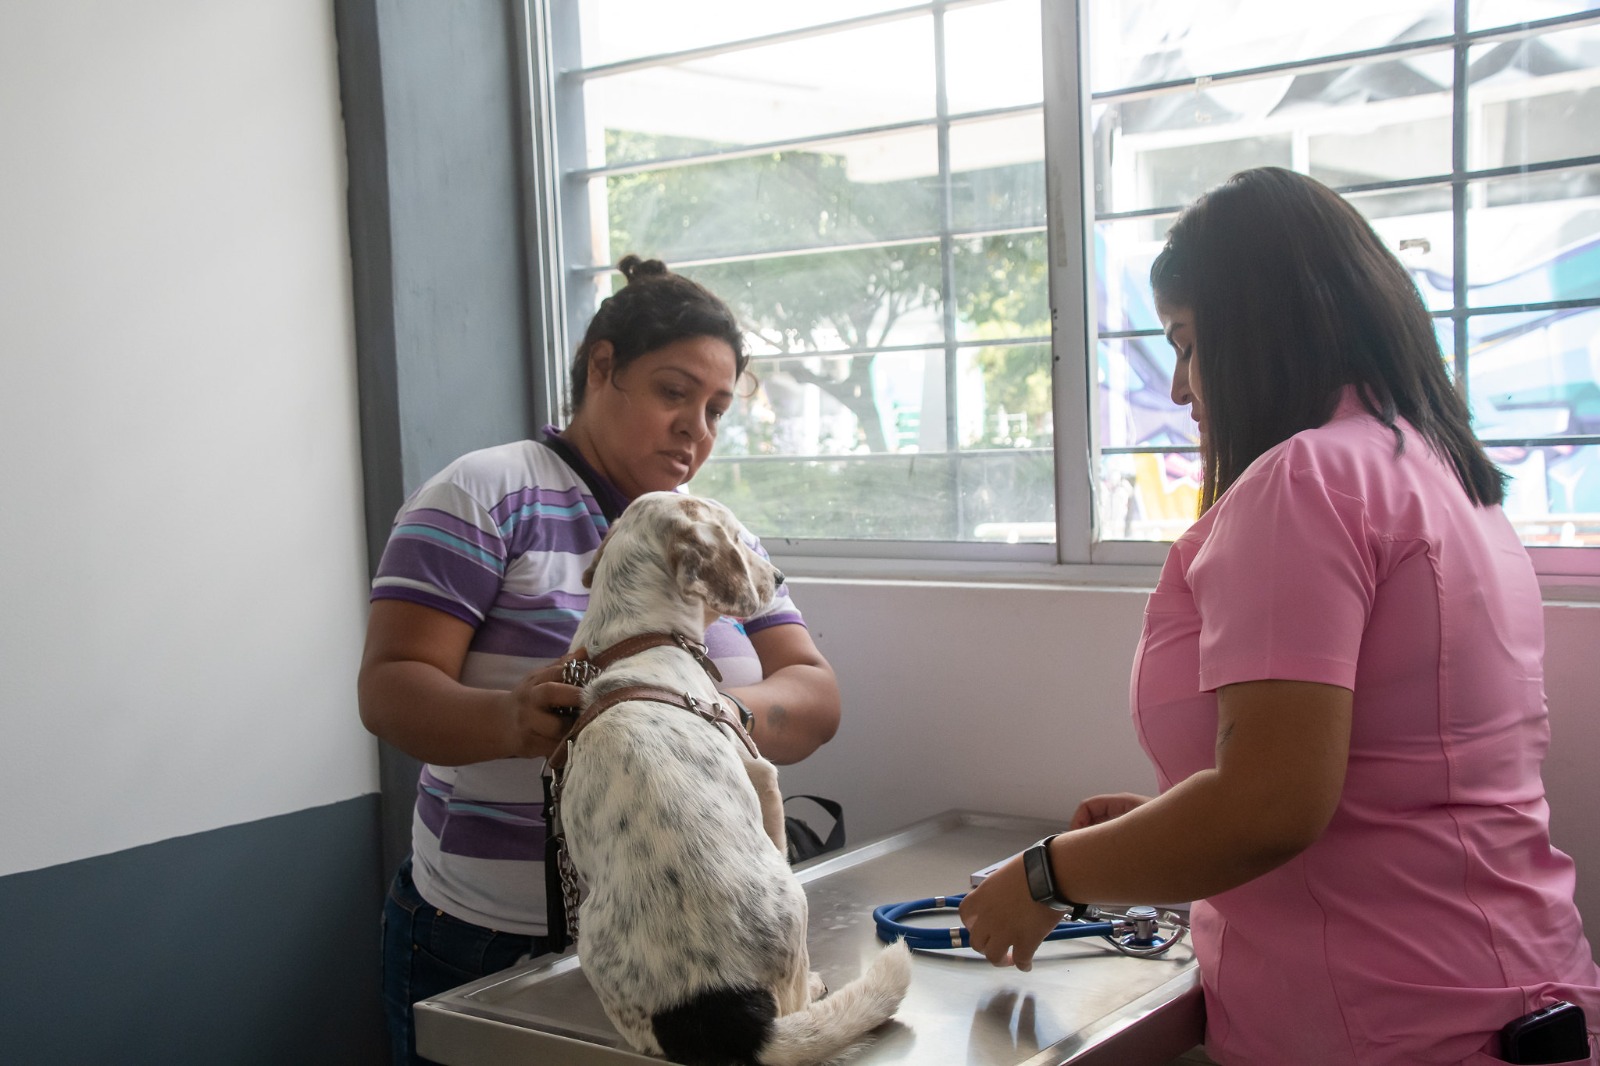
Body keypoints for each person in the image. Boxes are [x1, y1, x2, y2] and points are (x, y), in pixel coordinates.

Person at [958, 168, 1600, 1064]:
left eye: (1186, 343)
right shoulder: (1439, 474)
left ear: (1254, 331)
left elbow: (1265, 809)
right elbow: (1393, 785)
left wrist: (1046, 875)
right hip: (1504, 993)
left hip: (1390, 1023)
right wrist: (1159, 834)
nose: (1181, 389)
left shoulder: (1305, 480)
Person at [357, 255, 842, 1066]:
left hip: (685, 953)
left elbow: (816, 696)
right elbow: (391, 689)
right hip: (486, 938)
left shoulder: (711, 532)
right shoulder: (486, 494)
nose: (698, 428)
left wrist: (692, 714)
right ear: (602, 367)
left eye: (718, 408)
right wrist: (509, 718)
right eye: (674, 392)